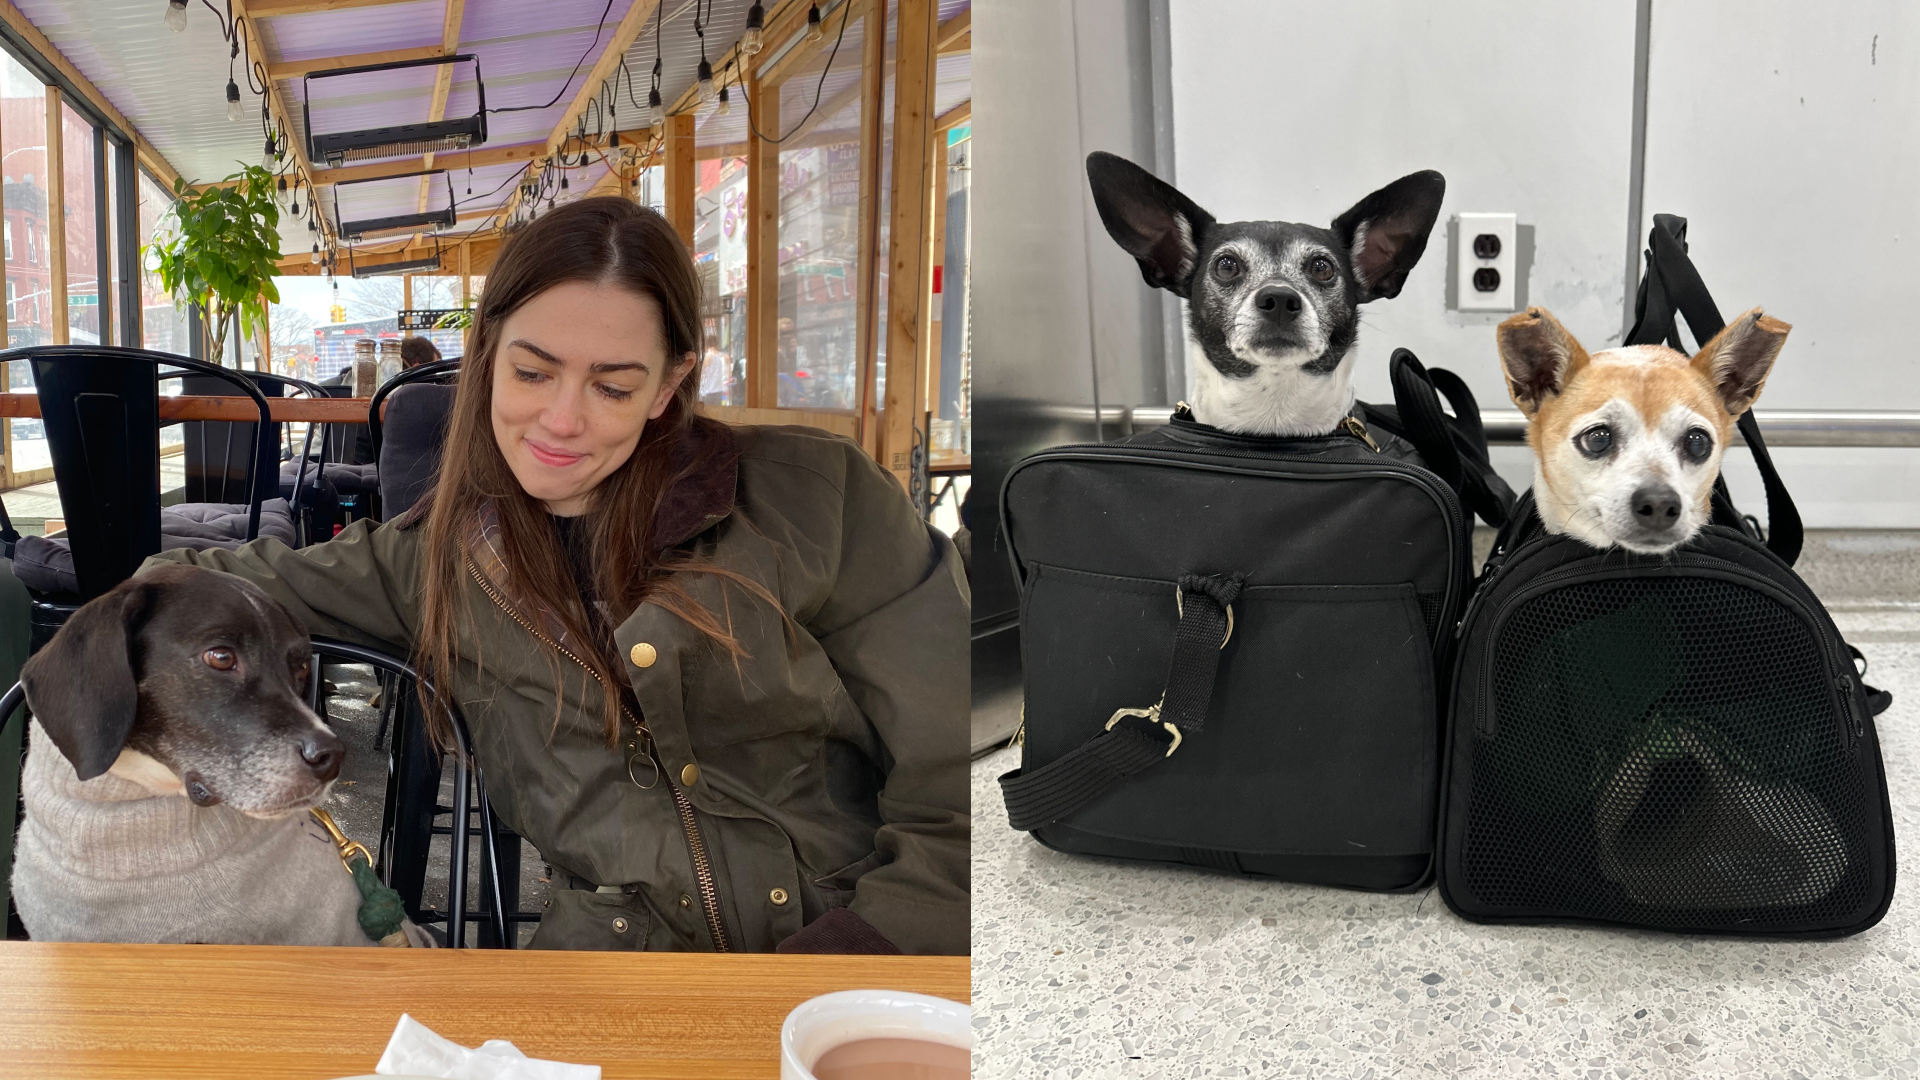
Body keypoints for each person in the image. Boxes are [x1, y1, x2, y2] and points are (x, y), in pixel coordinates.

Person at [143, 197, 969, 954]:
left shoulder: (820, 501)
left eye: (613, 386)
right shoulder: (429, 560)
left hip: (866, 951)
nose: (563, 420)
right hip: (612, 971)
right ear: (487, 358)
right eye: (533, 373)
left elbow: (956, 772)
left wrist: (850, 965)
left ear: (669, 385)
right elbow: (169, 589)